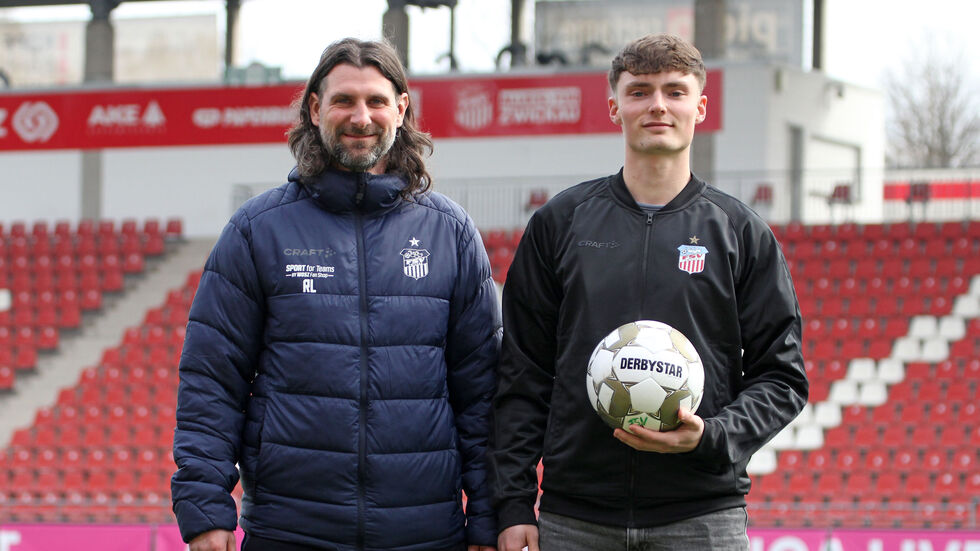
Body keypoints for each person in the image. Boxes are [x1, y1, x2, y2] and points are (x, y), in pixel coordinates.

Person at [171, 38, 500, 551]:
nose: (360, 117)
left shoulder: (450, 232)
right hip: (291, 531)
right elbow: (212, 380)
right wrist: (205, 508)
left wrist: (487, 514)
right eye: (344, 100)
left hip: (423, 533)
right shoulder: (259, 229)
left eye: (375, 101)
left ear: (401, 108)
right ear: (315, 108)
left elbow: (482, 394)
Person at [489, 33, 807, 551]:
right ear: (614, 107)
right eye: (640, 91)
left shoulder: (740, 231)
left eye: (674, 91)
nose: (657, 104)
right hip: (576, 516)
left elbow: (783, 376)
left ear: (700, 107)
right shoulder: (560, 223)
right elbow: (522, 372)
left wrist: (711, 436)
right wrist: (514, 502)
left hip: (702, 514)